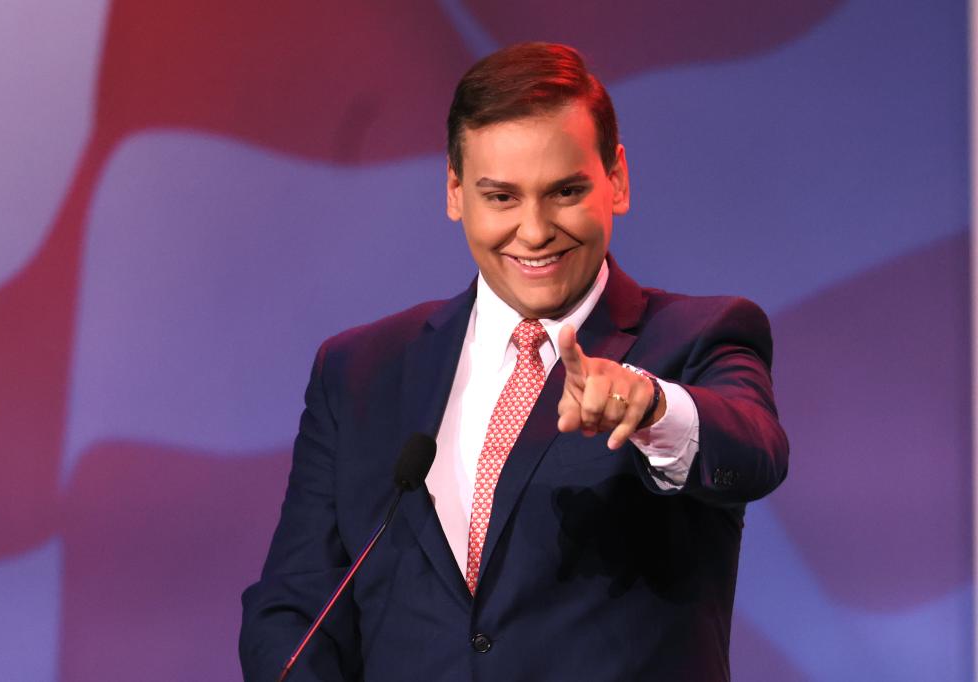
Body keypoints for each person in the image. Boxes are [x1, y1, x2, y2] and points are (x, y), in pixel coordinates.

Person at [240, 42, 788, 681]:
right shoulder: (359, 371)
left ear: (616, 179)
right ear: (454, 191)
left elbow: (753, 449)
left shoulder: (697, 336)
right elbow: (298, 603)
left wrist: (652, 406)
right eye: (501, 197)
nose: (534, 231)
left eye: (565, 191)